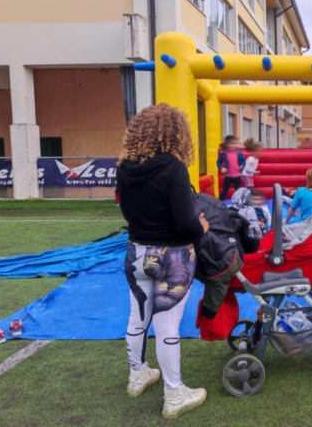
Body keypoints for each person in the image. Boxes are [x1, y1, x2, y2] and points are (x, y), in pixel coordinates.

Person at [116, 103, 209, 419]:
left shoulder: (124, 168)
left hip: (135, 252)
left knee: (137, 316)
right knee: (167, 325)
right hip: (173, 256)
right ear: (175, 133)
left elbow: (126, 211)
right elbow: (187, 222)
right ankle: (174, 394)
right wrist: (203, 226)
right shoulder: (173, 167)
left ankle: (137, 373)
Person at [217, 136, 246, 201]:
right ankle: (218, 203)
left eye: (235, 144)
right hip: (228, 177)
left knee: (238, 193)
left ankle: (238, 206)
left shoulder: (239, 153)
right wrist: (221, 168)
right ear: (227, 144)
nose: (234, 145)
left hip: (237, 176)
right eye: (232, 144)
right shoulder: (224, 153)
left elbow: (244, 161)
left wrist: (242, 166)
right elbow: (218, 162)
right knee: (224, 192)